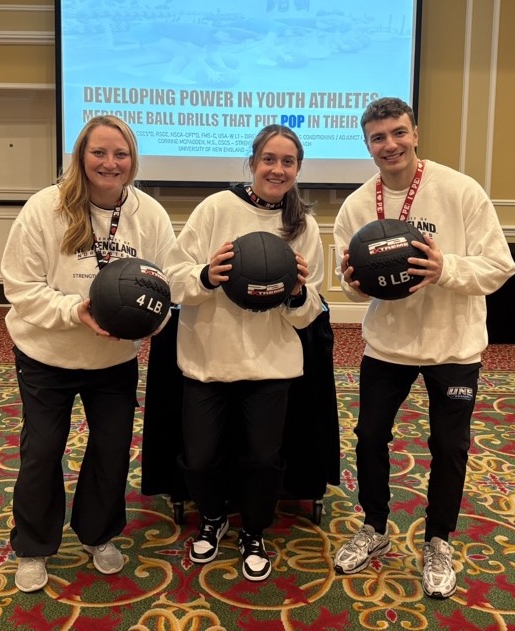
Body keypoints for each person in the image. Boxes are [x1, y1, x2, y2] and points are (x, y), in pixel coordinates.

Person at [331, 97, 515, 599]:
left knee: (449, 447)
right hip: (387, 346)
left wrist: (445, 269)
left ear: (415, 134)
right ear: (366, 144)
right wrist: (354, 284)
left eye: (398, 133)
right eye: (378, 137)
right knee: (370, 437)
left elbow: (500, 266)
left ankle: (438, 539)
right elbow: (348, 285)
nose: (389, 144)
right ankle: (374, 527)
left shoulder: (461, 191)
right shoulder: (355, 204)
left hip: (453, 346)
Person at [1, 115, 176, 593]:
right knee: (41, 452)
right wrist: (75, 311)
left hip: (113, 361)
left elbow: (168, 283)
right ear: (81, 156)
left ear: (132, 161)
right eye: (99, 152)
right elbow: (20, 287)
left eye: (120, 154)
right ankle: (33, 546)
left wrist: (149, 322)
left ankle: (98, 535)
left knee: (111, 451)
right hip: (45, 355)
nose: (110, 162)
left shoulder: (150, 215)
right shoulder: (45, 208)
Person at [163, 124, 325, 582]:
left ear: (297, 169)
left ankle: (254, 529)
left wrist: (295, 293)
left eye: (288, 161)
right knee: (199, 458)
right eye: (269, 159)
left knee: (262, 460)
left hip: (270, 363)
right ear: (252, 162)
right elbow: (173, 278)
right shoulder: (215, 208)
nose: (277, 169)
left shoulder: (303, 226)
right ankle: (212, 519)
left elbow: (310, 309)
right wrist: (206, 275)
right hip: (207, 360)